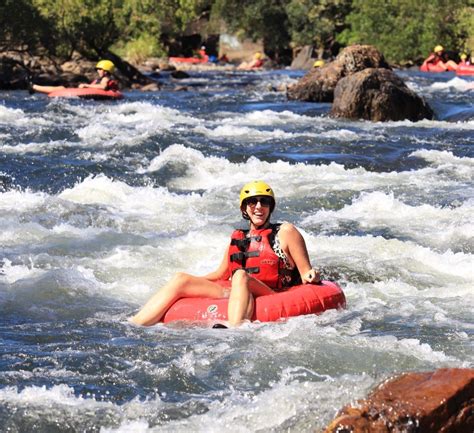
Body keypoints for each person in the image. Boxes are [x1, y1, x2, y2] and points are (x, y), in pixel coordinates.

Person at [130, 180, 320, 327]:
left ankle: (234, 330)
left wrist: (312, 275)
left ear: (271, 207)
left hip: (271, 294)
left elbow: (306, 273)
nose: (259, 206)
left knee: (240, 276)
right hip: (236, 289)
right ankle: (135, 325)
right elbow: (221, 274)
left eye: (265, 202)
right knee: (181, 278)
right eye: (252, 202)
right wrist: (193, 282)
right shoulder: (238, 237)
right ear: (244, 208)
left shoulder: (286, 232)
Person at [29, 60, 119, 95]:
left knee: (62, 88)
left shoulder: (105, 78)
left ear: (106, 70)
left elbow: (103, 87)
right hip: (85, 92)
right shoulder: (101, 78)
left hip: (89, 92)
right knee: (63, 87)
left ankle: (35, 87)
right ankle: (34, 87)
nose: (98, 71)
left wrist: (86, 86)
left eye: (99, 69)